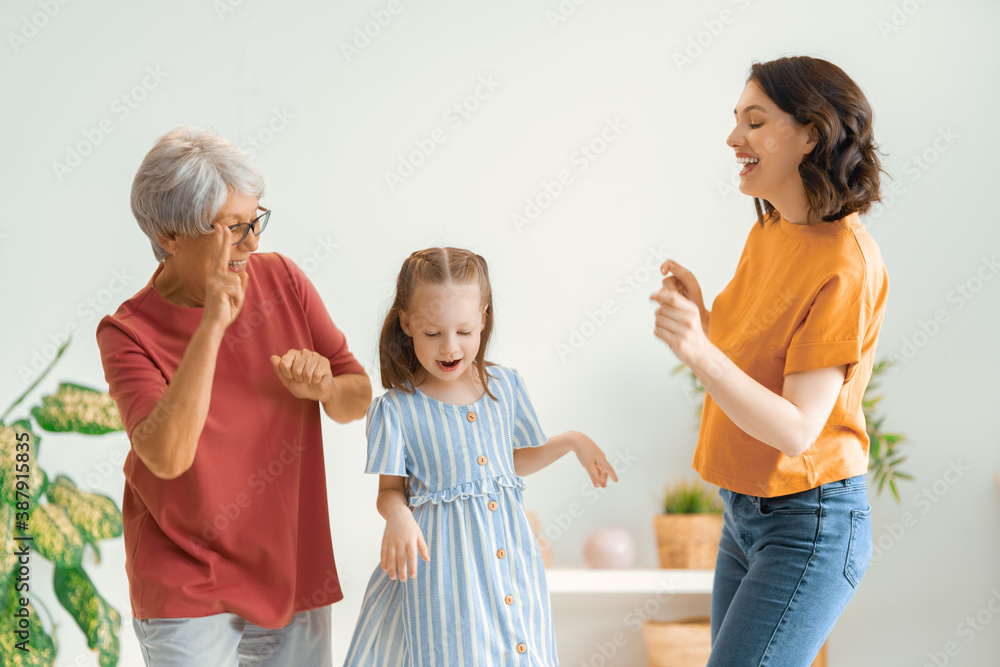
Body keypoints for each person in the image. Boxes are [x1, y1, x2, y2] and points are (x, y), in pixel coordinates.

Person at [96, 127, 372, 667]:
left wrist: (326, 388)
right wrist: (212, 326)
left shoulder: (284, 280)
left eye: (256, 220)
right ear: (172, 234)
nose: (252, 242)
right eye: (233, 228)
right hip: (185, 580)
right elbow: (167, 456)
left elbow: (357, 397)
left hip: (291, 563)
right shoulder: (127, 333)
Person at [649, 56, 888, 666]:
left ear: (811, 133)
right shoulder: (771, 231)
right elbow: (755, 368)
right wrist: (703, 323)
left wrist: (699, 352)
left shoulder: (847, 262)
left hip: (809, 523)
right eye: (737, 121)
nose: (734, 138)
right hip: (745, 510)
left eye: (754, 122)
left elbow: (795, 428)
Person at [343, 247, 617, 665]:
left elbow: (511, 465)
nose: (450, 347)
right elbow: (390, 491)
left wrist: (572, 441)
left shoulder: (503, 387)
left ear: (483, 318)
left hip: (509, 560)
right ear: (407, 323)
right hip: (444, 573)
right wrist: (398, 516)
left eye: (464, 331)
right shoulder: (397, 410)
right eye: (433, 333)